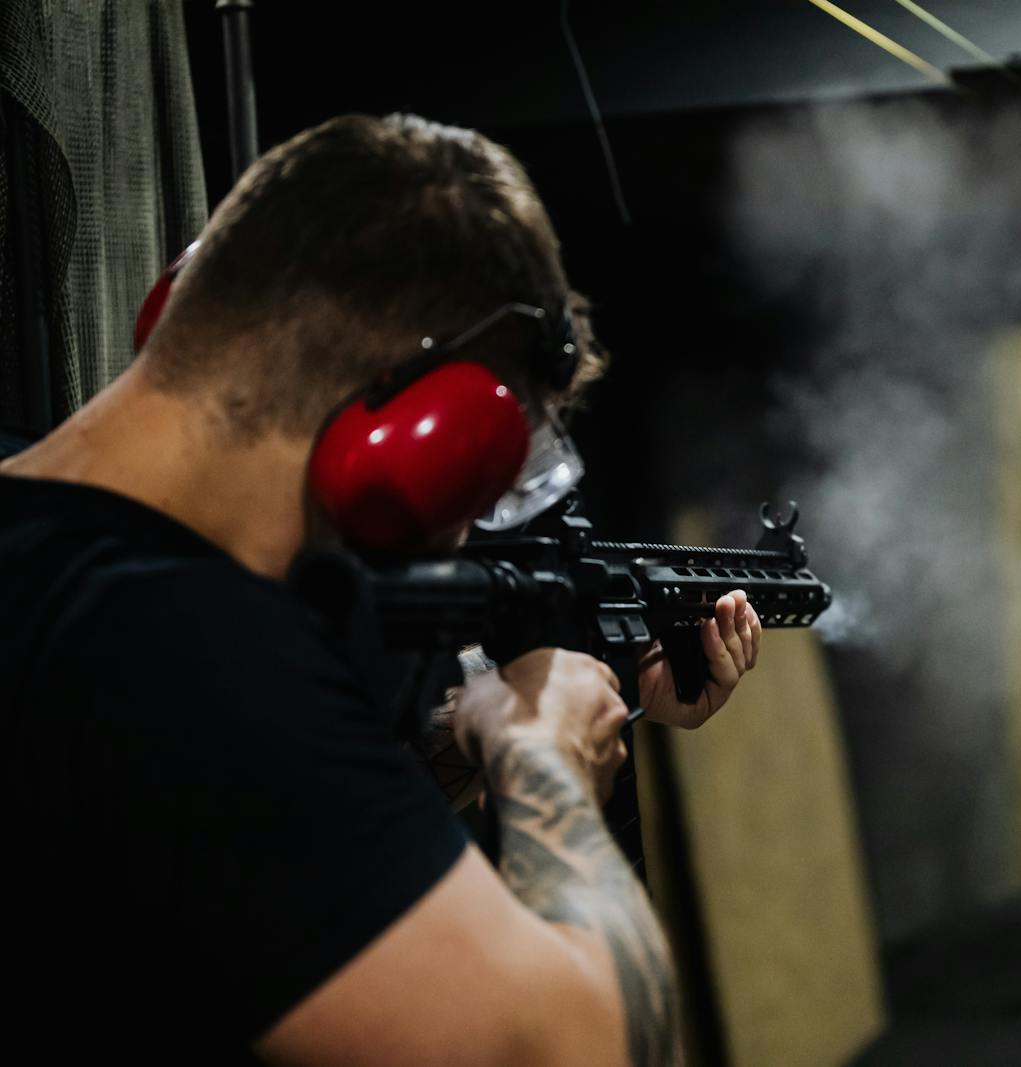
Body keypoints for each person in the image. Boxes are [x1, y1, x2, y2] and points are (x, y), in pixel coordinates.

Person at [0, 113, 761, 1064]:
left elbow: (267, 875)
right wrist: (546, 763)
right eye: (486, 465)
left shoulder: (69, 573)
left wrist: (458, 754)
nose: (467, 523)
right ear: (414, 430)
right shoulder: (200, 658)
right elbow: (586, 1045)